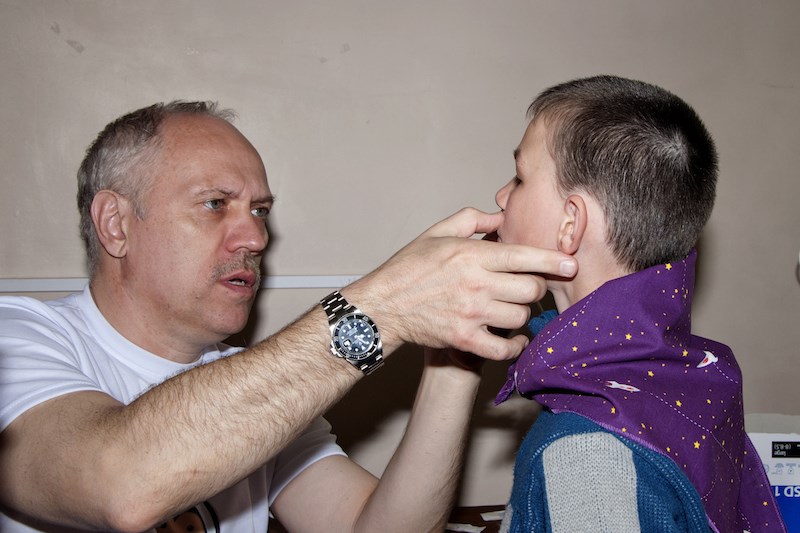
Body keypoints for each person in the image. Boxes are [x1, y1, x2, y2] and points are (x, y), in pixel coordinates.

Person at [0, 101, 578, 532]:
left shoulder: (258, 388)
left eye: (259, 210)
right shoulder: (19, 338)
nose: (255, 237)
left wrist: (453, 357)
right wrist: (382, 309)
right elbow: (121, 486)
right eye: (215, 204)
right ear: (115, 224)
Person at [492, 76, 787, 533]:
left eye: (519, 178)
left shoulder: (585, 453)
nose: (501, 196)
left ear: (570, 224)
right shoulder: (689, 379)